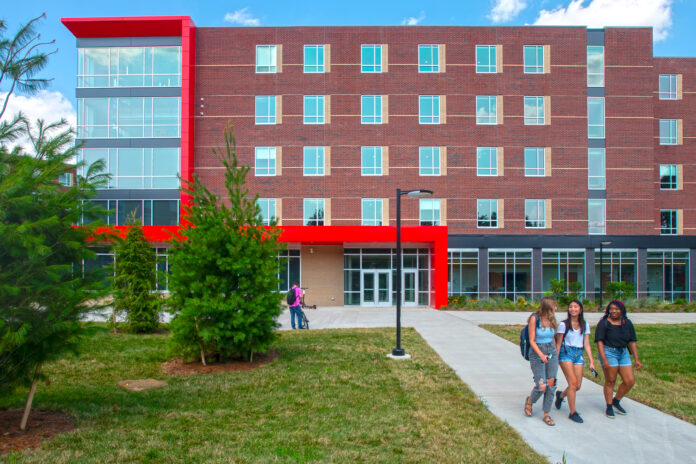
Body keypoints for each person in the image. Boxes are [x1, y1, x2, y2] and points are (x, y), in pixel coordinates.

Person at [595, 300, 642, 418]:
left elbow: (632, 341)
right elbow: (599, 342)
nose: (613, 311)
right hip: (609, 352)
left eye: (616, 309)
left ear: (622, 310)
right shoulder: (604, 323)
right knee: (610, 380)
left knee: (629, 381)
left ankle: (616, 401)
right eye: (611, 309)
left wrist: (636, 359)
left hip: (623, 352)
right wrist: (604, 359)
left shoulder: (627, 323)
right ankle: (609, 406)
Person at [554, 299, 595, 423]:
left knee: (577, 386)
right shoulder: (563, 324)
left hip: (578, 354)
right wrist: (555, 359)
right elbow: (559, 343)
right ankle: (573, 412)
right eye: (571, 307)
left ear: (580, 309)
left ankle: (560, 396)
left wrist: (592, 362)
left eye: (575, 307)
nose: (573, 309)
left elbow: (587, 344)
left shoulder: (585, 325)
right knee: (572, 383)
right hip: (565, 353)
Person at [524, 296, 559, 426]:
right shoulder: (535, 318)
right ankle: (530, 401)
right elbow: (532, 340)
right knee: (541, 385)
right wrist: (541, 355)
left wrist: (555, 353)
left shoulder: (551, 319)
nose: (556, 308)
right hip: (537, 351)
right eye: (554, 306)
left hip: (551, 351)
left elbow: (552, 337)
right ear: (547, 307)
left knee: (551, 383)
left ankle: (546, 414)